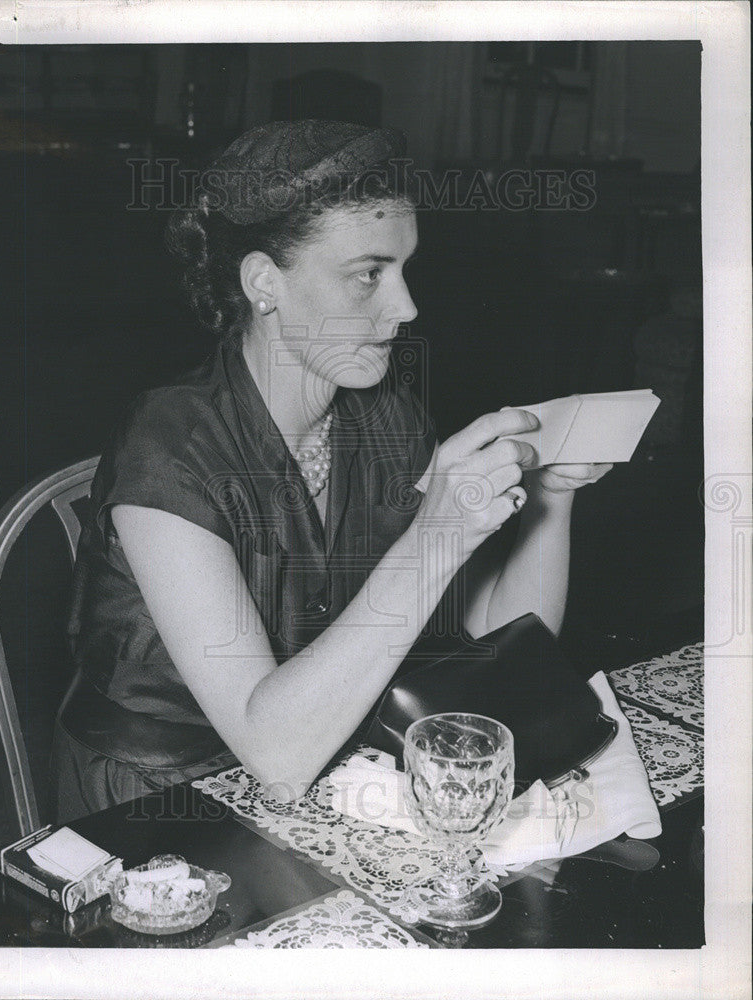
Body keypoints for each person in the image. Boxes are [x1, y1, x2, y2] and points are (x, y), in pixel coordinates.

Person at [51, 120, 611, 823]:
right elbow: (276, 756)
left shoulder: (384, 418)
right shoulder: (169, 447)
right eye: (368, 275)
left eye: (404, 270)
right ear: (264, 282)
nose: (405, 308)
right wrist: (432, 539)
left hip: (336, 771)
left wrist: (548, 501)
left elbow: (503, 638)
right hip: (160, 811)